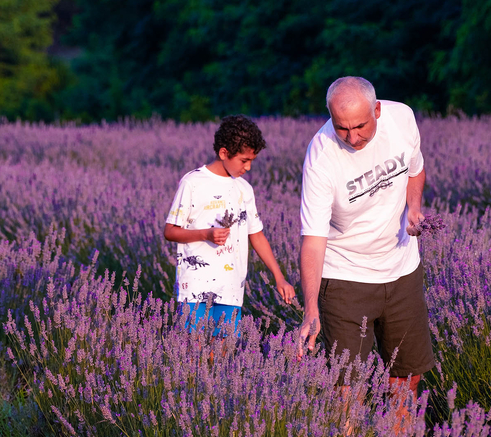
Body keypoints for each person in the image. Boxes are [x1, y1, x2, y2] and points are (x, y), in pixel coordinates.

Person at [298, 76, 435, 395]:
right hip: (345, 276)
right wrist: (310, 310)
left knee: (407, 376)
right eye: (341, 127)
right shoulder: (321, 158)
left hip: (402, 269)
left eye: (360, 126)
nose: (352, 137)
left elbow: (415, 170)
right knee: (347, 386)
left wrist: (413, 207)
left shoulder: (402, 119)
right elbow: (313, 240)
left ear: (376, 109)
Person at [165, 115, 295, 334]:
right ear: (224, 153)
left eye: (252, 160)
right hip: (195, 286)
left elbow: (257, 235)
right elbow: (170, 231)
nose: (249, 167)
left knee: (223, 355)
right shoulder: (193, 183)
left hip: (231, 287)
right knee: (191, 354)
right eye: (244, 160)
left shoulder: (244, 189)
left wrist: (279, 277)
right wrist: (205, 234)